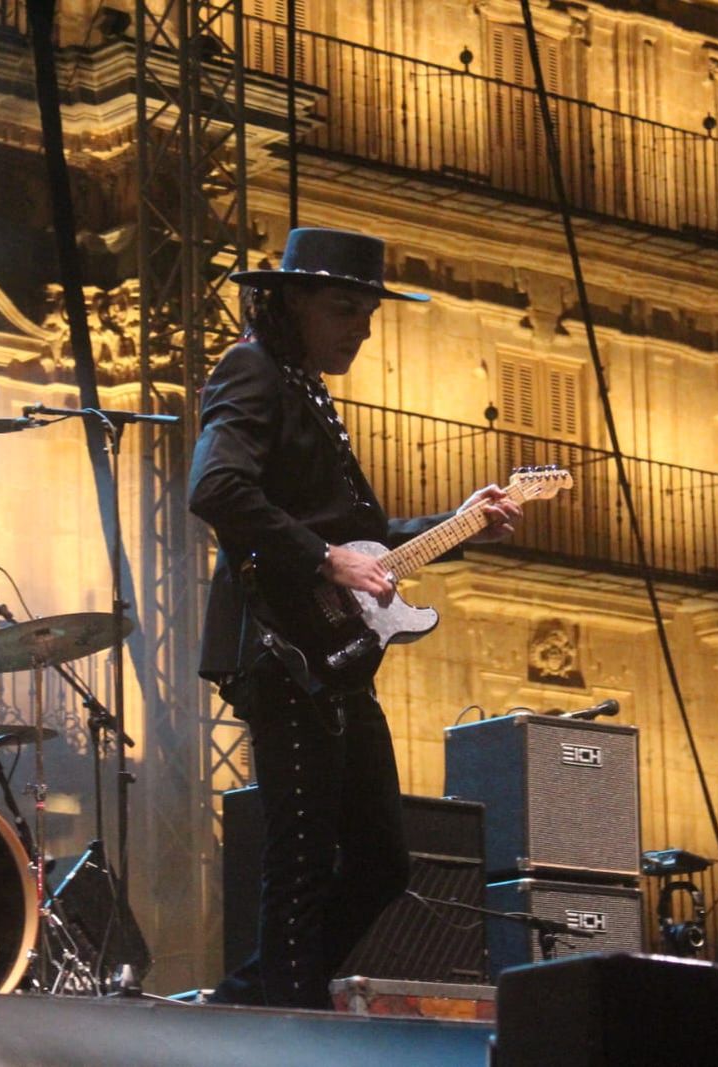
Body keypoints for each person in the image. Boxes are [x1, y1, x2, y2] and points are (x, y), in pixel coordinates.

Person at [190, 227, 522, 1008]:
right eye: (344, 308)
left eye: (367, 315)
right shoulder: (253, 370)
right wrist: (322, 560)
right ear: (293, 300)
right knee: (301, 859)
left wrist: (461, 519)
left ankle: (250, 1000)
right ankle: (285, 1022)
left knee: (381, 862)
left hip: (331, 655)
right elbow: (217, 489)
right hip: (279, 649)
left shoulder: (307, 389)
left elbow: (361, 541)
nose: (359, 329)